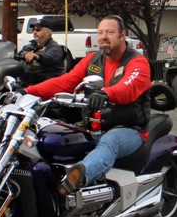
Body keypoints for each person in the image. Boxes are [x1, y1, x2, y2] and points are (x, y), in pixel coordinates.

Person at [26, 15, 152, 195]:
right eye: (100, 32)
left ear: (122, 35)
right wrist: (27, 91)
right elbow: (65, 82)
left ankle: (78, 177)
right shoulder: (92, 60)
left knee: (111, 141)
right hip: (94, 128)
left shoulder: (137, 62)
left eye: (110, 32)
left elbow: (129, 86)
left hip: (129, 128)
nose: (103, 36)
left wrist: (106, 94)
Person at [19, 18, 66, 85]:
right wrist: (24, 54)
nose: (34, 32)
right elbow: (19, 54)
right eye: (33, 30)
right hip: (26, 83)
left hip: (45, 85)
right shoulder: (30, 46)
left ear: (47, 32)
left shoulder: (55, 47)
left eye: (38, 30)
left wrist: (37, 56)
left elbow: (49, 57)